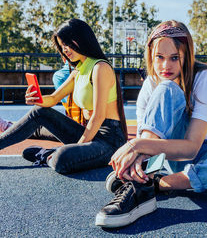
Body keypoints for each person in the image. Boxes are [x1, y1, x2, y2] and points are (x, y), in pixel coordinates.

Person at [95, 20, 207, 228]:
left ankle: (153, 185)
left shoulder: (205, 78)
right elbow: (150, 142)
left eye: (174, 58)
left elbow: (191, 148)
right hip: (165, 157)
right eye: (159, 57)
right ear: (150, 56)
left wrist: (135, 145)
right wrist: (141, 149)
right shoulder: (152, 85)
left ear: (187, 57)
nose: (166, 66)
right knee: (166, 88)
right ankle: (141, 178)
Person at [0, 18, 128, 174]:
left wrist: (79, 146)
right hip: (89, 133)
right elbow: (53, 98)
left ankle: (49, 154)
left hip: (109, 140)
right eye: (62, 46)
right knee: (39, 111)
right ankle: (52, 153)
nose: (65, 49)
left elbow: (98, 116)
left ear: (81, 38)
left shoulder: (100, 67)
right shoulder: (78, 70)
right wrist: (37, 99)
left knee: (62, 159)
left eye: (67, 44)